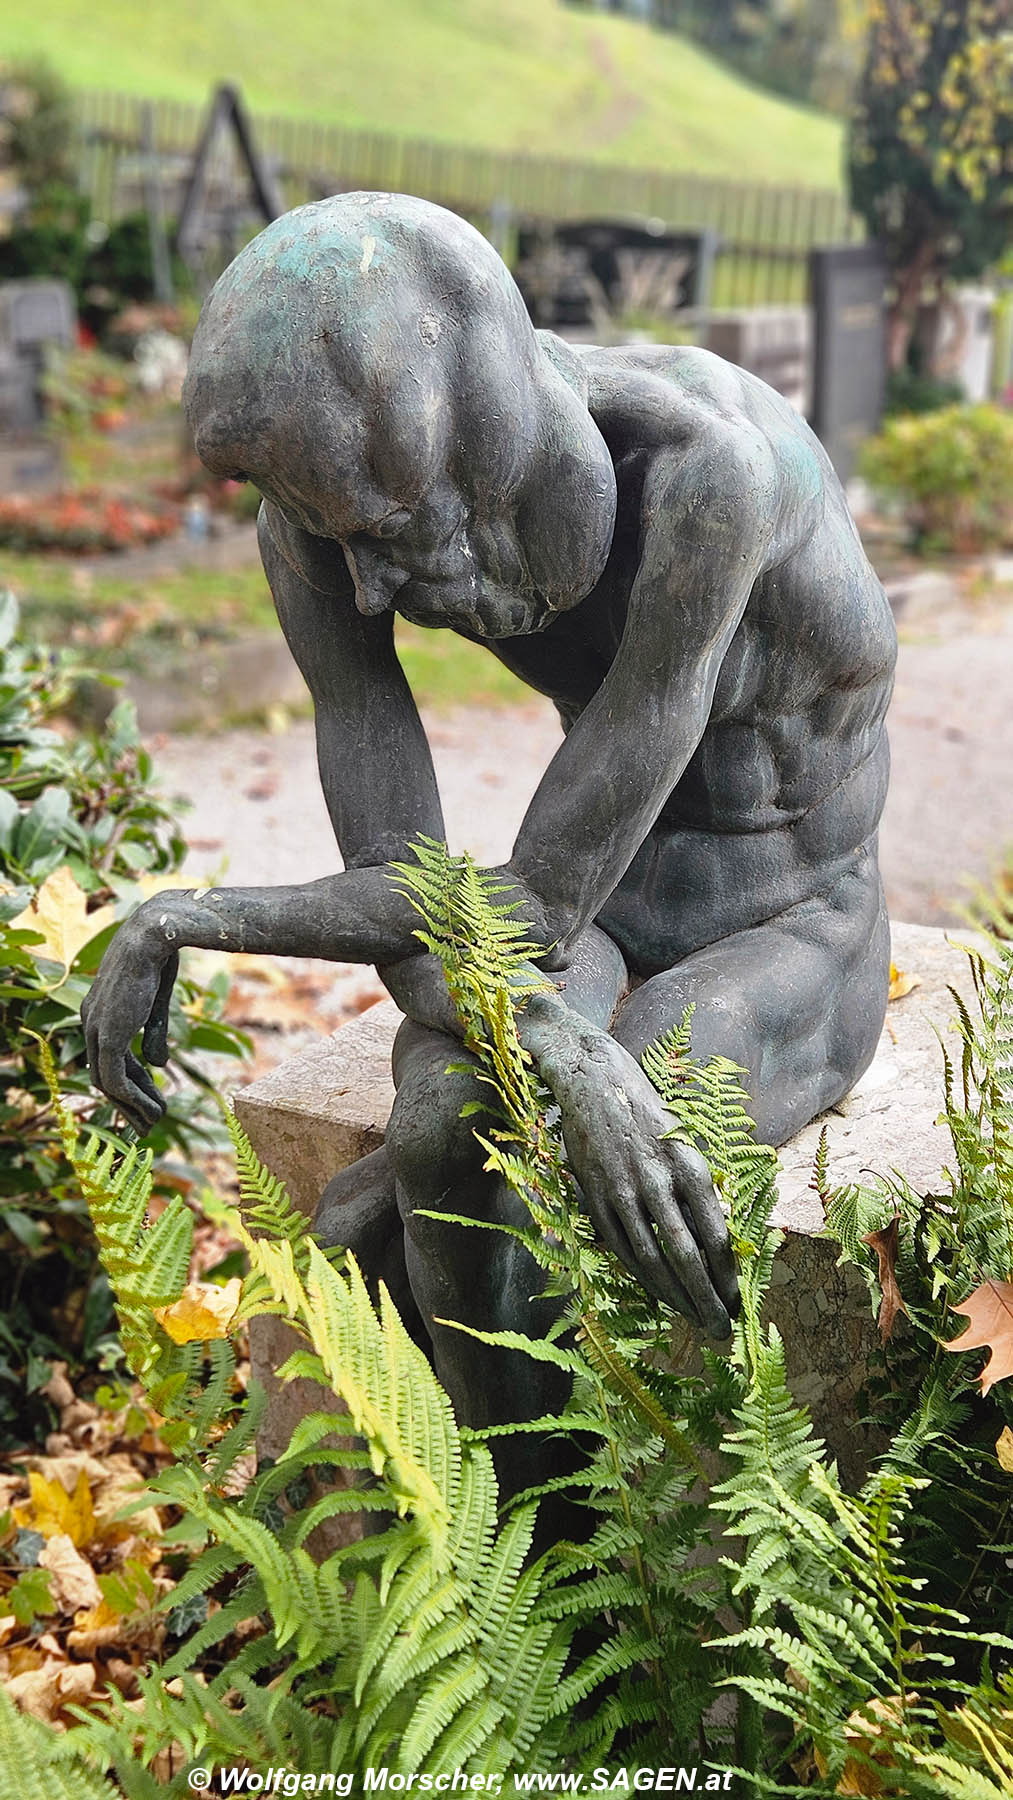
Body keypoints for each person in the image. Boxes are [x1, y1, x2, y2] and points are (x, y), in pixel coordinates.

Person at [80, 193, 896, 1474]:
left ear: (497, 448)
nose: (365, 588)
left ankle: (584, 1591)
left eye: (396, 538)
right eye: (338, 542)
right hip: (592, 900)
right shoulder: (321, 534)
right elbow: (411, 891)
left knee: (606, 1177)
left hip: (789, 915)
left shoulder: (705, 480)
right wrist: (179, 917)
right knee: (440, 1125)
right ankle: (520, 1555)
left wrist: (572, 1066)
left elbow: (520, 909)